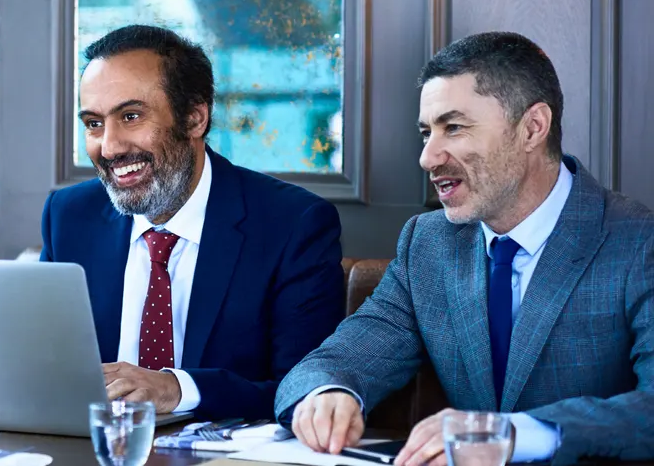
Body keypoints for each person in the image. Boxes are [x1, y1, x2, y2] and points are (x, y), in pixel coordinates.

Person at [276, 32, 654, 465]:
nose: (428, 157)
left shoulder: (639, 243)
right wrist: (329, 393)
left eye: (453, 127)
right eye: (426, 133)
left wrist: (515, 435)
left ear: (532, 128)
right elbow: (336, 360)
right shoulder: (428, 243)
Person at [41, 25, 345, 420]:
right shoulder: (68, 216)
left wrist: (177, 388)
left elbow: (303, 392)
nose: (109, 146)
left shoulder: (294, 225)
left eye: (130, 116)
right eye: (94, 123)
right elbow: (44, 368)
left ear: (194, 118)